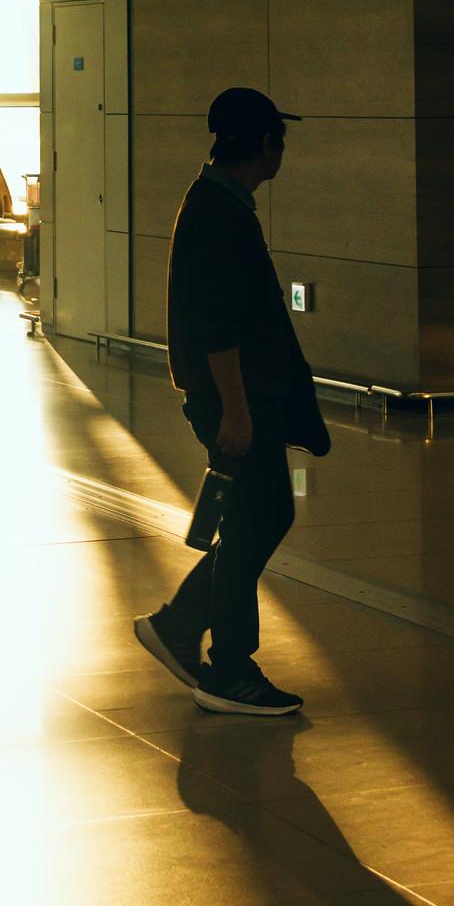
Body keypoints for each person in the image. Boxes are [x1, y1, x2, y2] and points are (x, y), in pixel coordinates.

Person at [135, 86, 329, 717]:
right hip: (234, 399)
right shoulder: (219, 214)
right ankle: (228, 667)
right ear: (264, 146)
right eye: (280, 140)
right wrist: (238, 411)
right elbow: (220, 326)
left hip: (241, 395)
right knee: (259, 517)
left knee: (258, 516)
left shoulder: (220, 203)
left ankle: (181, 626)